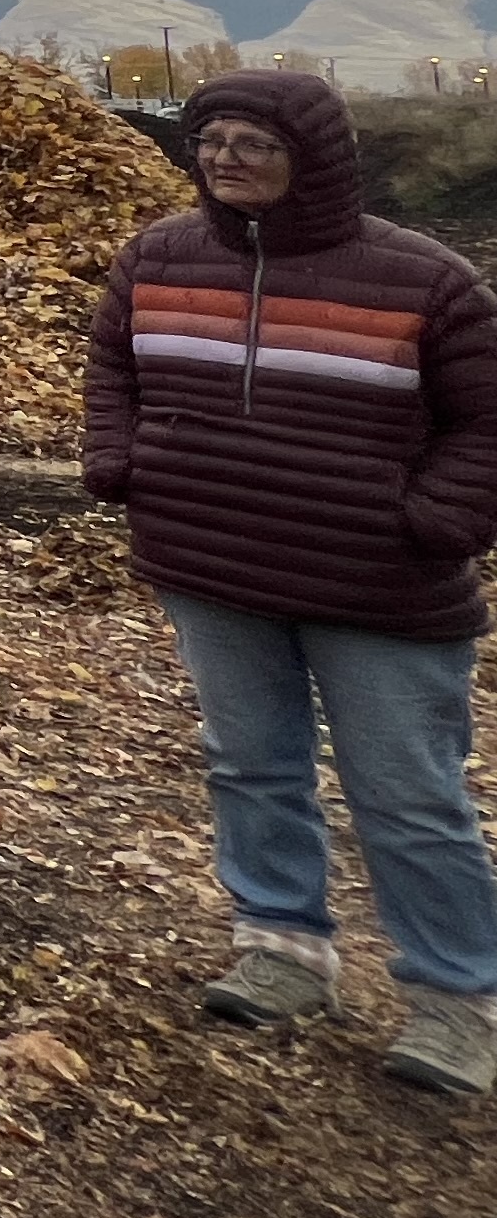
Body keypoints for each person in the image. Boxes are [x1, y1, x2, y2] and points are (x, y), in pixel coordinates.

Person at [85, 68, 497, 1095]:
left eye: (252, 143)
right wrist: (119, 458)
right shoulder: (159, 258)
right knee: (249, 763)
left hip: (378, 587)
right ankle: (283, 948)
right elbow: (113, 368)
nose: (226, 159)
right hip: (213, 565)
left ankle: (458, 999)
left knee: (407, 794)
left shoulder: (424, 282)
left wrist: (434, 520)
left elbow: (486, 421)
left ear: (312, 157)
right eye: (211, 140)